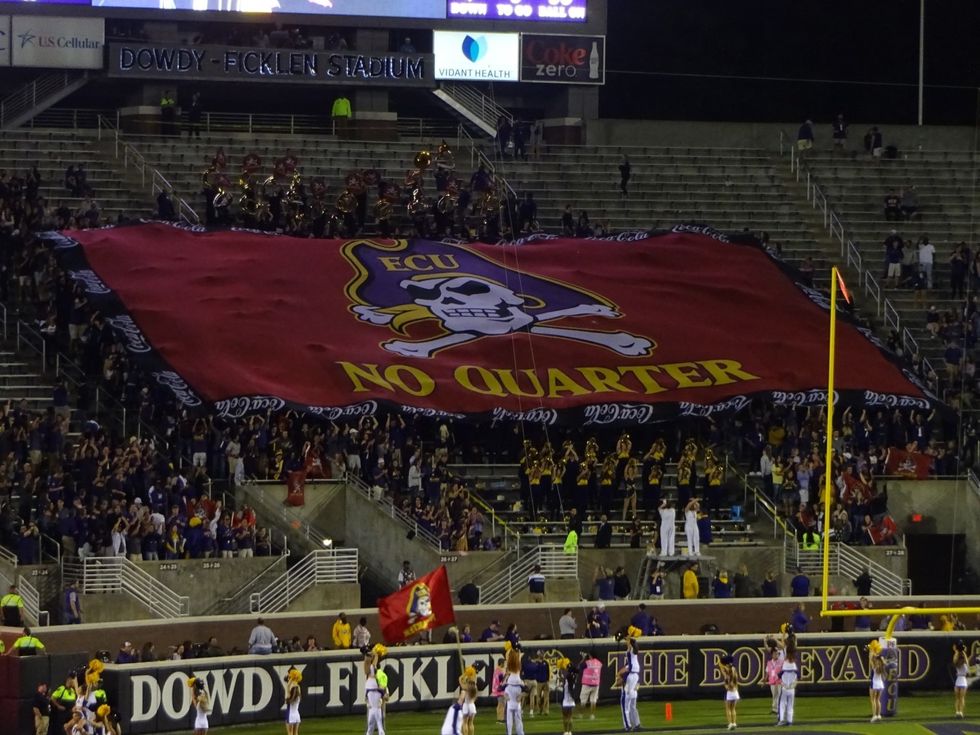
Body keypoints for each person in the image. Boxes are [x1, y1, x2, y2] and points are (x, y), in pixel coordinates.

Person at [618, 632, 641, 731]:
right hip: (635, 677)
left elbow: (629, 642)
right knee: (632, 702)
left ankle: (627, 726)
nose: (626, 643)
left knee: (624, 701)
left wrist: (629, 635)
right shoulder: (633, 654)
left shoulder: (631, 651)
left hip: (631, 677)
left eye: (628, 642)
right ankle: (637, 723)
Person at [364, 647, 387, 735]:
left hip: (373, 689)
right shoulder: (373, 670)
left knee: (374, 708)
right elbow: (367, 662)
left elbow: (371, 664)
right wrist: (371, 654)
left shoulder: (374, 670)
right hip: (374, 690)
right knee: (374, 709)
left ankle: (380, 730)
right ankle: (374, 731)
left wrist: (375, 654)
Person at [778, 637, 799, 726]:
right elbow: (798, 676)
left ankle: (782, 719)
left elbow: (779, 675)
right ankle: (789, 721)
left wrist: (782, 683)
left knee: (782, 704)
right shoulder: (794, 665)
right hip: (792, 688)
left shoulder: (785, 664)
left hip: (785, 687)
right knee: (790, 705)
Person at [503, 647, 525, 735]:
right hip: (517, 685)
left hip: (510, 686)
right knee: (517, 716)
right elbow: (519, 658)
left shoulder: (509, 664)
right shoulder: (516, 665)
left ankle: (510, 733)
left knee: (509, 717)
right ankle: (520, 733)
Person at [579, 650, 602, 719]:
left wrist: (583, 659)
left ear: (590, 656)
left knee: (583, 700)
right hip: (596, 683)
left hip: (587, 683)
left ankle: (581, 714)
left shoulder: (587, 663)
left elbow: (580, 667)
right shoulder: (599, 663)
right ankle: (592, 715)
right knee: (593, 700)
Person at [558, 657, 577, 735]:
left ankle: (566, 731)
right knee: (570, 717)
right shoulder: (573, 679)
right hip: (571, 701)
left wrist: (561, 669)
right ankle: (570, 732)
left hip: (566, 701)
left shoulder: (567, 680)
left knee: (565, 717)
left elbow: (563, 677)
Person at [721, 654, 739, 730]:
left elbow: (724, 676)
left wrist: (720, 662)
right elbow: (737, 681)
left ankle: (730, 724)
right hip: (735, 691)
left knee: (728, 709)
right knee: (733, 708)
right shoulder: (734, 669)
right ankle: (734, 723)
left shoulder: (726, 669)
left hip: (729, 691)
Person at [869, 640, 885, 722]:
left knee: (873, 700)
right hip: (881, 684)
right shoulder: (882, 664)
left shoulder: (874, 665)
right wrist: (877, 653)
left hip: (874, 683)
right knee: (878, 699)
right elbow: (880, 658)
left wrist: (872, 650)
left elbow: (871, 657)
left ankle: (874, 715)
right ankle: (879, 715)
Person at [459, 665, 478, 735]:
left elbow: (460, 679)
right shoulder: (475, 686)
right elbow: (475, 697)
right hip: (472, 705)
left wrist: (464, 674)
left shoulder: (466, 686)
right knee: (471, 723)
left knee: (464, 723)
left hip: (466, 705)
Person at [954, 640, 970, 718]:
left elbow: (967, 661)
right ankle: (957, 712)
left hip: (963, 680)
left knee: (961, 697)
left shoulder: (964, 663)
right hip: (958, 679)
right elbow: (955, 660)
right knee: (957, 697)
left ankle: (961, 712)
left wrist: (963, 652)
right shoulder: (957, 663)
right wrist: (957, 652)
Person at [765, 646, 782, 716]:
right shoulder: (769, 663)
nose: (776, 655)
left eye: (777, 654)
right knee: (774, 696)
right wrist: (764, 681)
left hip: (779, 681)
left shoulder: (781, 662)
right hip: (772, 681)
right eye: (775, 654)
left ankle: (780, 709)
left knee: (780, 695)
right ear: (772, 654)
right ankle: (775, 709)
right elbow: (767, 672)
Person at [285, 667, 302, 735]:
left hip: (290, 714)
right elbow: (296, 687)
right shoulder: (299, 689)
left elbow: (287, 699)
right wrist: (294, 678)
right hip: (297, 714)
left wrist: (288, 685)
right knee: (296, 733)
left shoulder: (291, 692)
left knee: (290, 733)